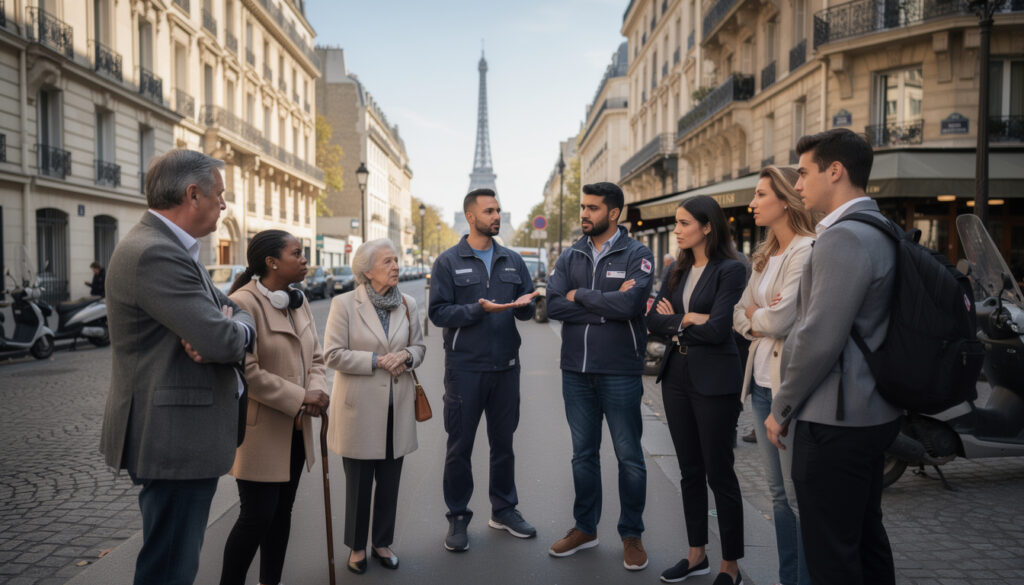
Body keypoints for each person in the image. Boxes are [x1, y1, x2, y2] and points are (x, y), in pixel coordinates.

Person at [100, 149, 255, 585]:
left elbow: (235, 313)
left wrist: (235, 326)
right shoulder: (155, 253)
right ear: (193, 194)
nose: (223, 205)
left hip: (179, 435)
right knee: (170, 566)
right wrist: (232, 331)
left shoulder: (171, 247)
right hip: (174, 438)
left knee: (174, 558)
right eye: (219, 194)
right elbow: (220, 336)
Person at [765, 129, 902, 585]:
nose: (798, 184)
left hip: (835, 419)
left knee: (831, 555)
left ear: (835, 171)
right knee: (864, 539)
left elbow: (817, 337)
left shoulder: (844, 238)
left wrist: (781, 407)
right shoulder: (881, 228)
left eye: (804, 173)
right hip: (873, 410)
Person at [545, 182, 654, 571]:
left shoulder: (638, 253)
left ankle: (631, 534)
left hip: (620, 370)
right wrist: (606, 305)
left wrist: (582, 296)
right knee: (583, 456)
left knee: (630, 457)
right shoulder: (571, 253)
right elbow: (554, 304)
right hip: (575, 370)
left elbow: (632, 305)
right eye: (583, 207)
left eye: (593, 208)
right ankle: (585, 528)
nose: (584, 214)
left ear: (614, 213)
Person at [428, 189, 539, 552]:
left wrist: (528, 303)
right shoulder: (448, 261)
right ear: (470, 217)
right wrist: (479, 310)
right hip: (465, 369)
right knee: (459, 447)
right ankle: (458, 517)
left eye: (499, 210)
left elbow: (523, 308)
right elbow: (439, 312)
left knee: (503, 445)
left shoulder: (512, 260)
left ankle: (504, 510)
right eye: (489, 211)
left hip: (506, 366)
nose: (497, 216)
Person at [218, 230, 330, 585]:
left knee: (282, 514)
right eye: (296, 253)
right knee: (257, 518)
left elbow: (316, 357)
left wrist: (315, 390)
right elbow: (247, 372)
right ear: (271, 262)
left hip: (297, 429)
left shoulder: (298, 299)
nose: (304, 259)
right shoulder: (243, 302)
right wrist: (300, 397)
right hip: (261, 434)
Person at [646, 195, 747, 585]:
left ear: (707, 226)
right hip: (677, 376)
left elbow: (721, 328)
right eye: (676, 222)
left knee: (719, 472)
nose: (676, 229)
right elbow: (653, 320)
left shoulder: (731, 270)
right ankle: (696, 555)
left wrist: (680, 319)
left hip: (714, 379)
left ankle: (731, 565)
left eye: (684, 223)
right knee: (689, 470)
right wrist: (689, 318)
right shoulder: (676, 270)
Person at [732, 167, 817, 585]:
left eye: (761, 194)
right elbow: (739, 313)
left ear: (785, 200)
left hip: (788, 389)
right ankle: (788, 578)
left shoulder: (807, 249)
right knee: (779, 497)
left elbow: (784, 319)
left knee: (797, 498)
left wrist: (758, 317)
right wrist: (758, 318)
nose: (752, 203)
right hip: (760, 389)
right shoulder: (764, 257)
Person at [324, 238, 426, 573]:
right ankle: (356, 547)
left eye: (396, 261)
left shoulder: (408, 303)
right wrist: (377, 360)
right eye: (387, 262)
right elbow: (333, 354)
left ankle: (382, 542)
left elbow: (419, 347)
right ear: (367, 271)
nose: (395, 266)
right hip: (359, 410)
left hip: (396, 407)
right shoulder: (343, 304)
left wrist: (407, 356)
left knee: (390, 482)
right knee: (358, 484)